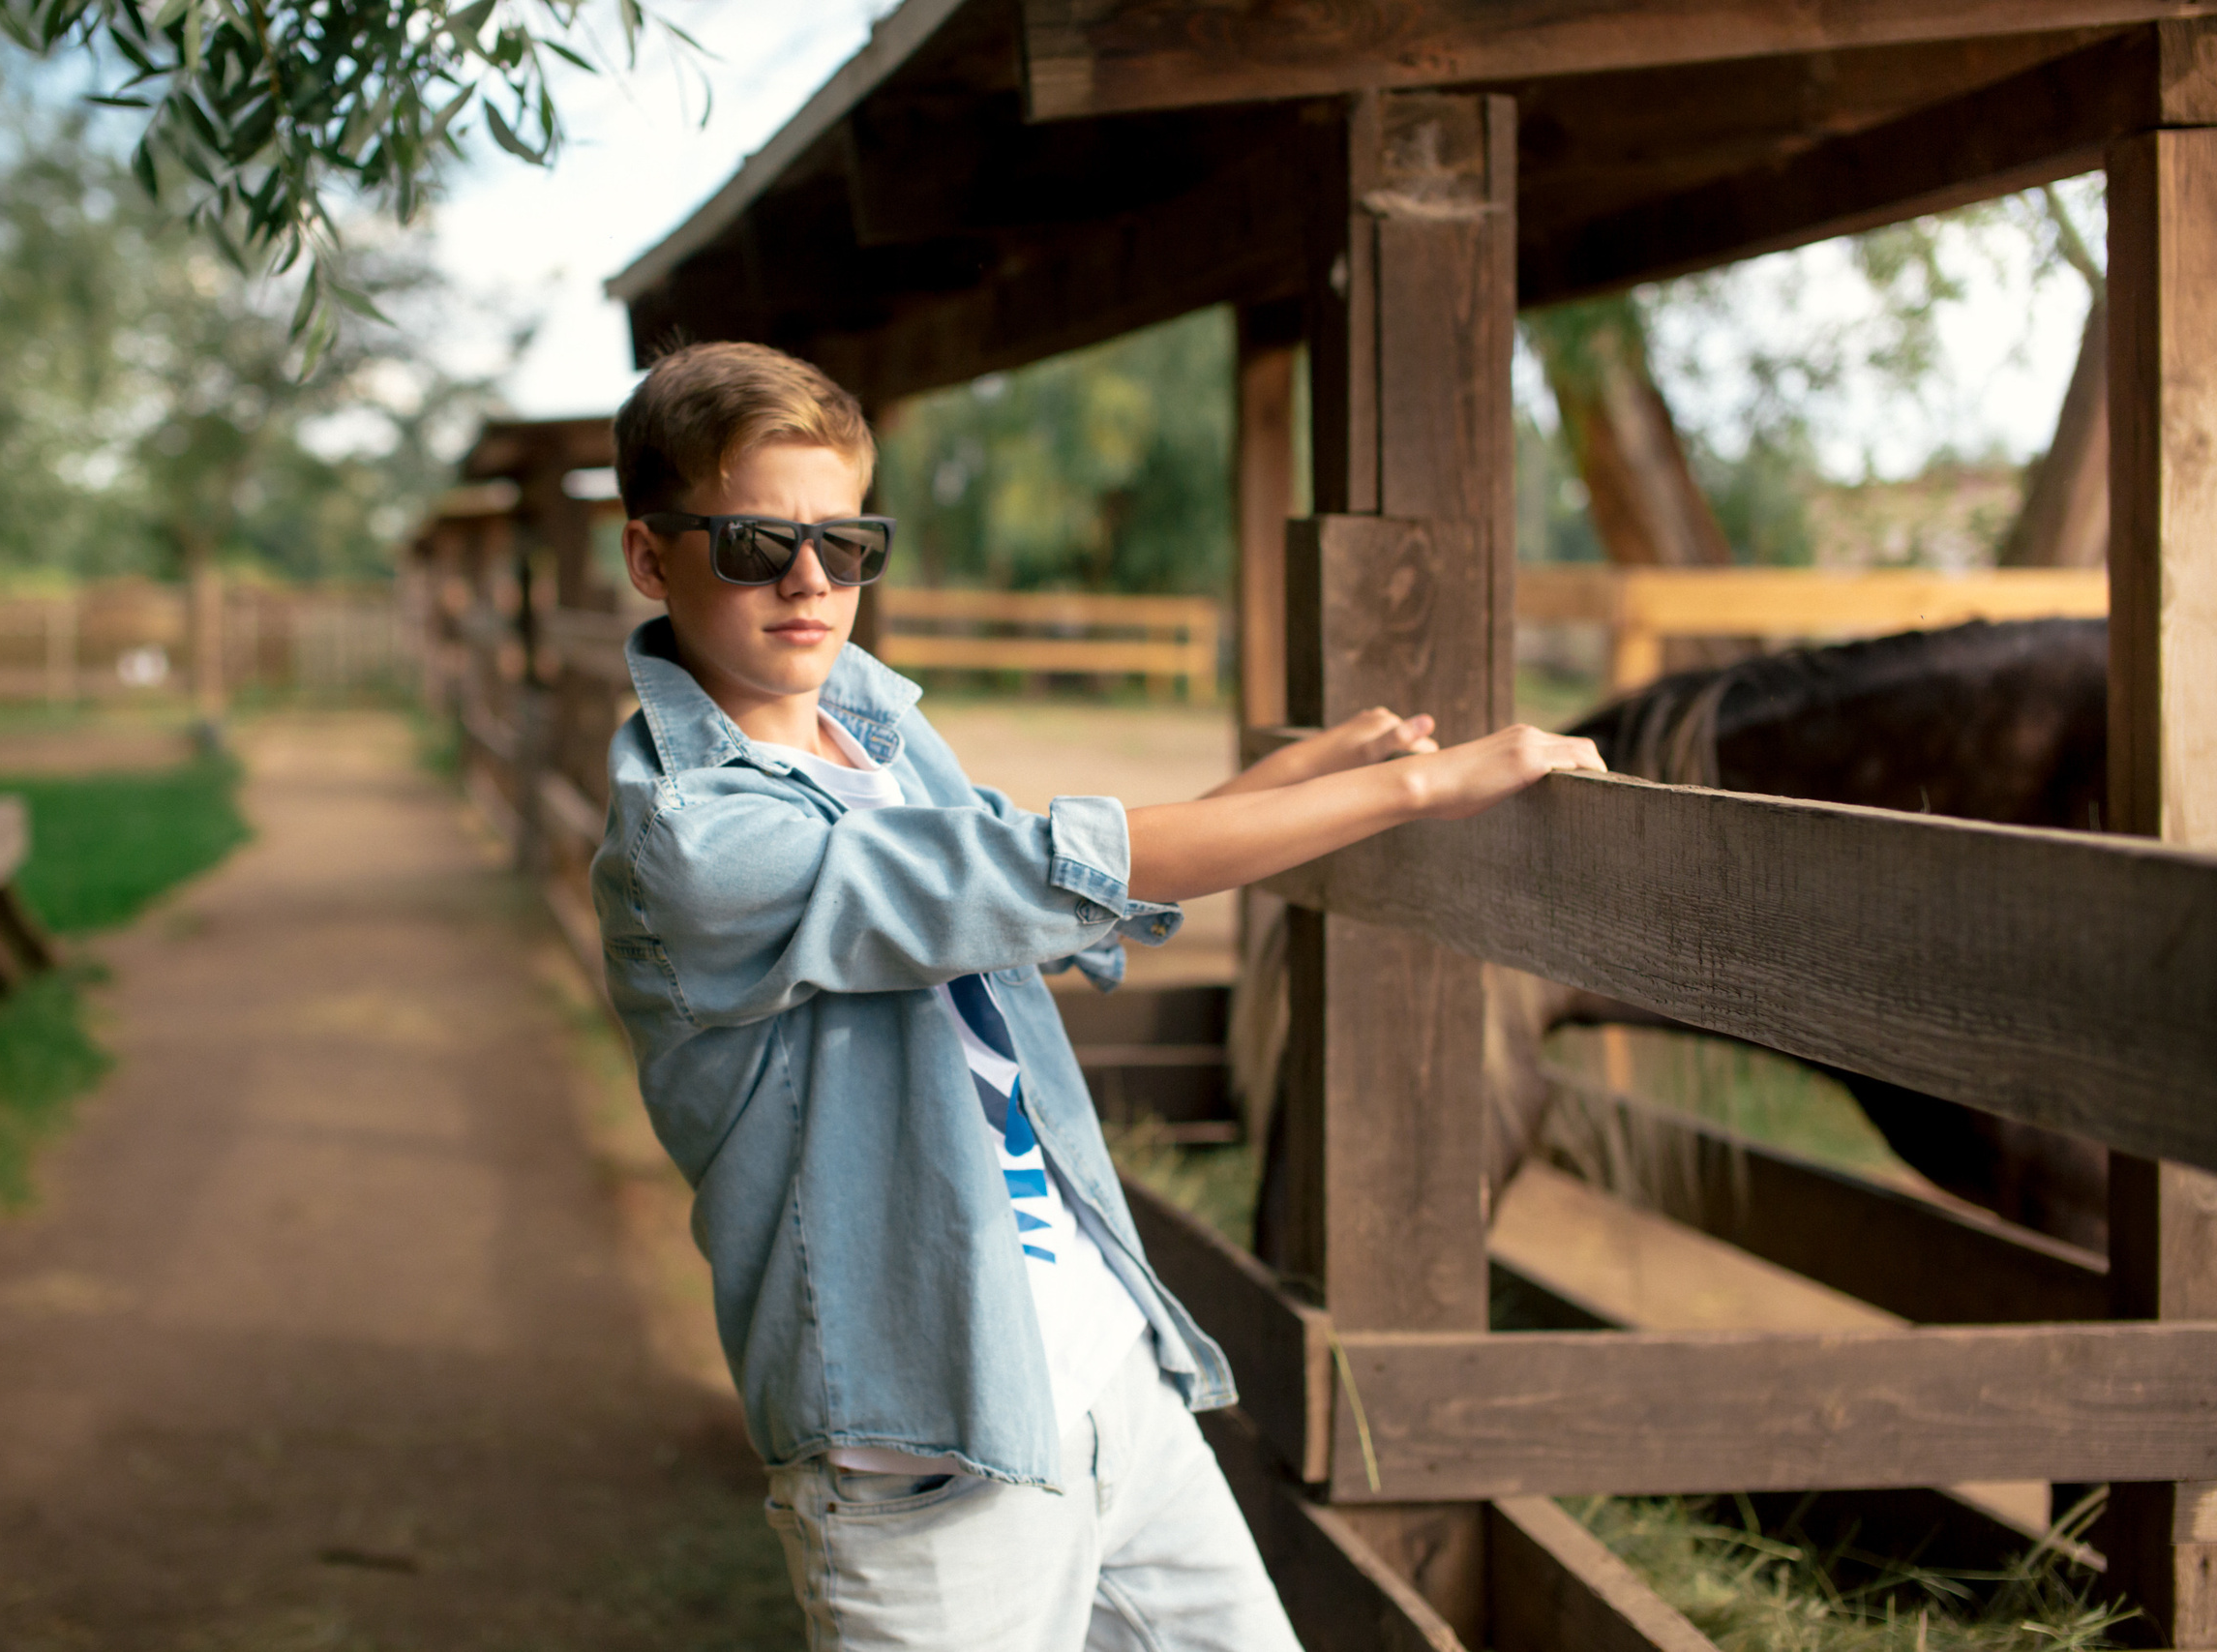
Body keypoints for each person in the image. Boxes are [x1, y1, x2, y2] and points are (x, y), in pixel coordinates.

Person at [590, 341, 1605, 1652]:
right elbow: (1020, 870)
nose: (810, 582)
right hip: (932, 1441)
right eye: (754, 545)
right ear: (648, 556)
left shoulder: (876, 737)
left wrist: (1297, 783)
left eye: (846, 545)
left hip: (1104, 1366)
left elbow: (1021, 902)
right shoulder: (691, 839)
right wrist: (1417, 789)